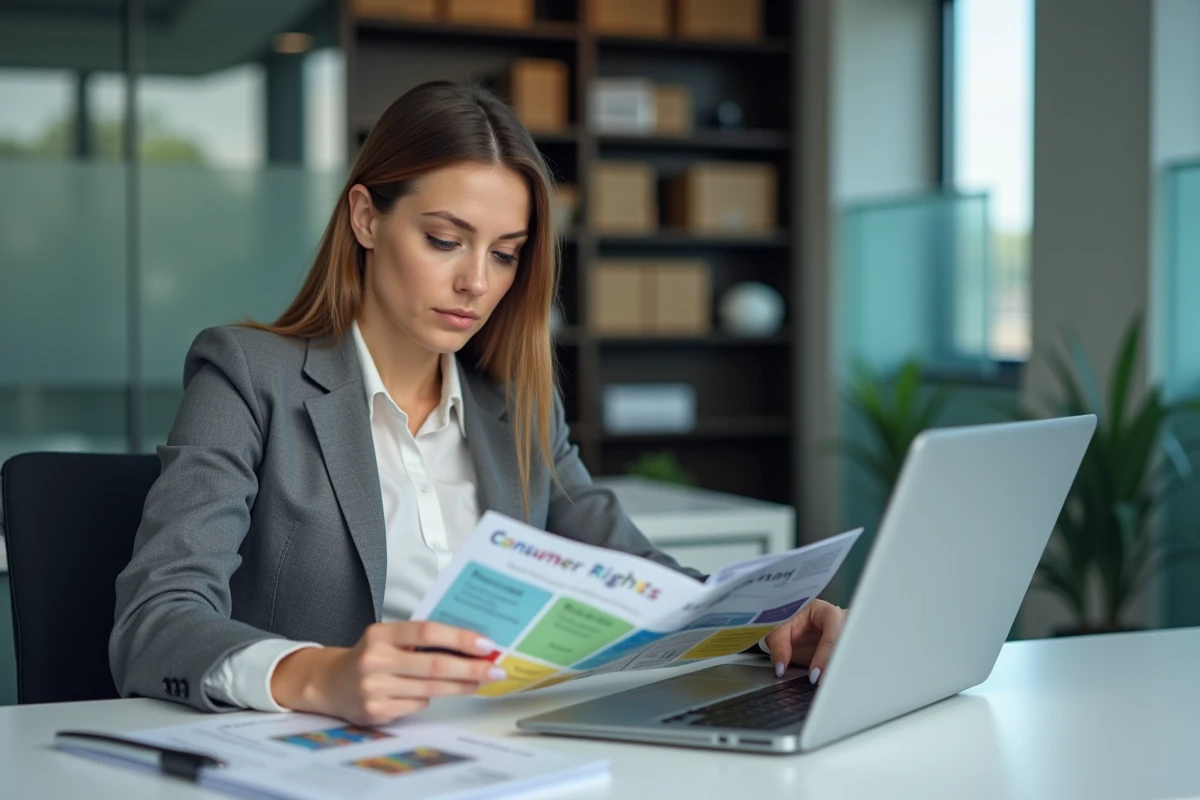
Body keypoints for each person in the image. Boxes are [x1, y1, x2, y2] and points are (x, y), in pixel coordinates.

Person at [109, 81, 846, 726]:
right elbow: (155, 621)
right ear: (366, 219)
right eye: (444, 240)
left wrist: (766, 621)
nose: (477, 284)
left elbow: (628, 568)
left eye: (504, 253)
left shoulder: (515, 403)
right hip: (321, 761)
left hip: (504, 751)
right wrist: (316, 674)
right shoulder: (248, 374)